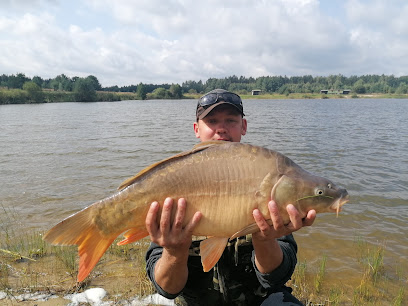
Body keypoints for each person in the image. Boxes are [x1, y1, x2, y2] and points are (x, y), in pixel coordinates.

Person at [145, 89, 316, 305]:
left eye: (231, 120)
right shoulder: (176, 179)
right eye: (212, 121)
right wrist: (173, 252)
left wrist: (264, 239)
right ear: (197, 129)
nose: (222, 129)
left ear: (243, 126)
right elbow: (166, 289)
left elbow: (276, 277)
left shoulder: (266, 176)